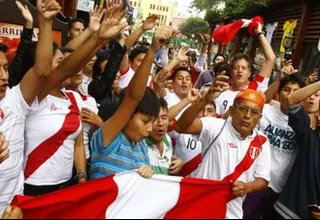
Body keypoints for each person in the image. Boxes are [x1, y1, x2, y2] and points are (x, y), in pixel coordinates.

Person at [23, 2, 127, 196]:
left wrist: (80, 177)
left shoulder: (73, 99)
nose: (72, 67)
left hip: (67, 186)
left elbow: (78, 144)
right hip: (32, 190)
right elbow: (66, 68)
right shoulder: (32, 97)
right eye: (60, 61)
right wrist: (96, 38)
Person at [175, 76, 271, 219]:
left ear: (259, 117)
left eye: (254, 112)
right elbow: (180, 126)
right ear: (231, 111)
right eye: (243, 109)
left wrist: (247, 187)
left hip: (231, 213)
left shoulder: (262, 141)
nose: (247, 116)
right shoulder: (215, 126)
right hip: (200, 206)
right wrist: (204, 99)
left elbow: (263, 180)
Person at [90, 26, 177, 179]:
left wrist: (146, 174)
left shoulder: (142, 147)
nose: (150, 128)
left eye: (152, 121)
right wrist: (152, 50)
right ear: (128, 115)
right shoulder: (108, 139)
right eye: (145, 121)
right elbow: (132, 97)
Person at [0, 0, 61, 215]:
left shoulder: (14, 100)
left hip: (16, 207)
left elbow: (42, 70)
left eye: (5, 68)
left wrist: (44, 23)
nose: (4, 76)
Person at [243, 69, 306, 219]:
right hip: (254, 180)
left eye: (296, 91)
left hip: (281, 189)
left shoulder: (304, 121)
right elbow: (259, 100)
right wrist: (278, 80)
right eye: (286, 90)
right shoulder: (267, 111)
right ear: (278, 93)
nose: (291, 94)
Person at [273, 78, 320, 219]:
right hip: (290, 209)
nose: (312, 97)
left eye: (317, 95)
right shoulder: (310, 133)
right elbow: (292, 100)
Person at [214, 23, 276, 117]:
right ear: (231, 72)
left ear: (249, 73)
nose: (240, 71)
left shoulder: (256, 87)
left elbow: (271, 59)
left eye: (244, 68)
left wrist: (259, 33)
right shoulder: (220, 94)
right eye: (236, 68)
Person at [145, 98, 183, 175]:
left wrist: (178, 162)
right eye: (155, 119)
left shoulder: (167, 140)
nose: (160, 123)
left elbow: (165, 158)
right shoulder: (140, 144)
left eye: (164, 118)